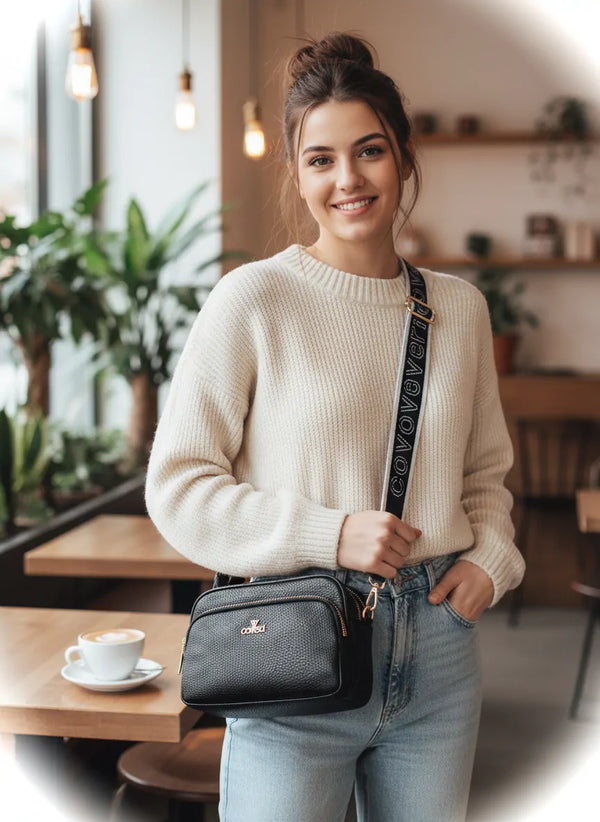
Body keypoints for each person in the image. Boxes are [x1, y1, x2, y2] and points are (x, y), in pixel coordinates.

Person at [146, 31, 525, 822]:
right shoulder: (252, 300)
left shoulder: (457, 308)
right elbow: (178, 487)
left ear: (405, 157)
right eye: (320, 159)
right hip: (292, 645)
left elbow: (485, 474)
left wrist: (492, 556)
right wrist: (331, 534)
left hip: (440, 650)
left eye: (369, 151)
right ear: (296, 173)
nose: (347, 179)